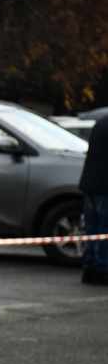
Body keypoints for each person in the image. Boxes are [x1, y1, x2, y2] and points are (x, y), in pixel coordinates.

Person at [79, 115, 108, 285]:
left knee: (91, 226)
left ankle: (89, 266)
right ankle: (102, 269)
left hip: (89, 182)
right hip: (104, 186)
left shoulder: (101, 123)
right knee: (105, 228)